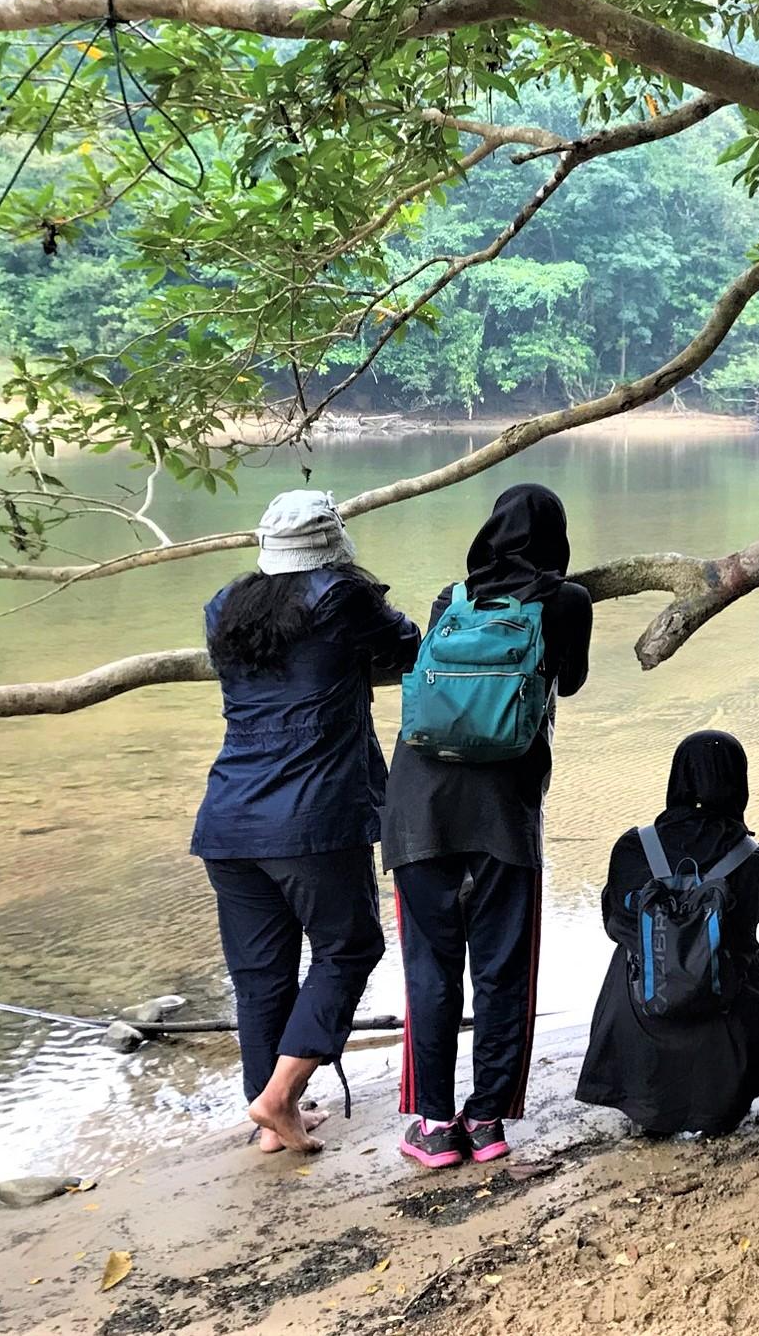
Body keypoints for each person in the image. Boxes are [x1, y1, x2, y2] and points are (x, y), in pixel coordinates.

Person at [191, 489, 420, 1153]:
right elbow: (407, 647)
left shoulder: (225, 606)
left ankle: (272, 1116)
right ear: (331, 545)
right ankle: (277, 1097)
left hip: (229, 819)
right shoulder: (341, 598)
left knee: (261, 974)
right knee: (351, 947)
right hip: (312, 820)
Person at [382, 484, 593, 1168]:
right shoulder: (567, 603)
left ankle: (435, 1125)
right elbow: (573, 683)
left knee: (431, 967)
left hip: (418, 804)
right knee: (503, 971)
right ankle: (487, 1122)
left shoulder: (452, 598)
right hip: (505, 808)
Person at [577, 731, 759, 1135]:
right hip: (724, 1026)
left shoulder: (632, 848)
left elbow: (613, 924)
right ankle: (729, 1095)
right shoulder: (756, 860)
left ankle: (647, 1103)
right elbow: (751, 923)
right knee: (750, 957)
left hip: (641, 1024)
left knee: (631, 953)